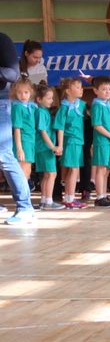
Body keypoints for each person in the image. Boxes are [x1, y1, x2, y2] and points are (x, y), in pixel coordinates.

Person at [0, 33, 36, 224]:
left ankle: (25, 207)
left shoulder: (2, 40)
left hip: (0, 102)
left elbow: (12, 74)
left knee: (4, 155)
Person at [53, 77, 87, 209]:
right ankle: (69, 198)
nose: (81, 89)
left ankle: (69, 197)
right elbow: (60, 127)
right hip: (70, 141)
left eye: (81, 87)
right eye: (77, 87)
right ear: (68, 91)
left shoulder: (82, 104)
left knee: (73, 169)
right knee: (73, 169)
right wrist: (60, 145)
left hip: (79, 141)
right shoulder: (64, 108)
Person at [90, 76, 110, 207]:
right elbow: (97, 125)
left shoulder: (107, 104)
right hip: (102, 141)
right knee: (101, 169)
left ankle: (103, 195)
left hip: (109, 141)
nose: (108, 92)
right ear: (96, 91)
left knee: (107, 170)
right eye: (104, 89)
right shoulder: (97, 105)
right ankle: (99, 197)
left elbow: (106, 124)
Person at [34, 83, 63, 210]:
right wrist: (53, 147)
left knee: (47, 174)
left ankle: (44, 200)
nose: (51, 101)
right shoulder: (40, 112)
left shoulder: (44, 111)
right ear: (39, 99)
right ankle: (49, 201)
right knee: (52, 174)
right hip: (44, 148)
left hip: (44, 148)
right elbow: (43, 131)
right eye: (49, 98)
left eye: (52, 98)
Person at [10, 78, 37, 182]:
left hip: (31, 141)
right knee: (23, 171)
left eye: (26, 92)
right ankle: (22, 197)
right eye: (19, 92)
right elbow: (17, 128)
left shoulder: (31, 106)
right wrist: (19, 148)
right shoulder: (17, 107)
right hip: (23, 141)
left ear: (31, 92)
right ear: (15, 93)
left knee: (28, 170)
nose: (23, 95)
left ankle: (25, 195)